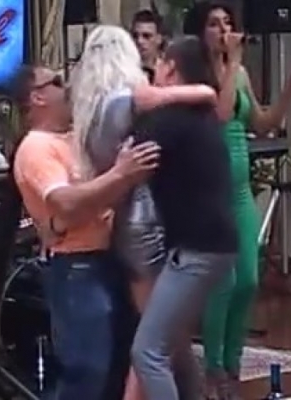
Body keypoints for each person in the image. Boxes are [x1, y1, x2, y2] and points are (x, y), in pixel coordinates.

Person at [72, 25, 216, 400]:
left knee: (162, 337)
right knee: (158, 341)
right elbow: (186, 96)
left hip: (127, 223)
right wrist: (203, 90)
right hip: (148, 222)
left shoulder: (93, 113)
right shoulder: (125, 101)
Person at [182, 2, 291, 397]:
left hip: (239, 191)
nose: (224, 30)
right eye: (214, 24)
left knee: (248, 281)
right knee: (222, 283)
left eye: (228, 22)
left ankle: (233, 365)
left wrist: (289, 90)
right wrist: (235, 59)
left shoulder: (238, 74)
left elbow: (262, 123)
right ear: (200, 32)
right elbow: (221, 115)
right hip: (209, 192)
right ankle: (213, 371)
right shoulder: (194, 77)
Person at [11, 64, 159, 400]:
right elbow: (65, 203)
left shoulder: (76, 137)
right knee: (88, 371)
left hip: (111, 256)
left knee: (119, 363)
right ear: (37, 97)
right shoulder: (36, 147)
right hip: (77, 266)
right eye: (56, 81)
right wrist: (121, 174)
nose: (67, 86)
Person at [128, 35, 237, 400]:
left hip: (197, 249)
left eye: (160, 63)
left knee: (148, 352)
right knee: (173, 343)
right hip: (217, 244)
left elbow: (124, 158)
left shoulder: (169, 120)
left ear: (171, 68)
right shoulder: (202, 114)